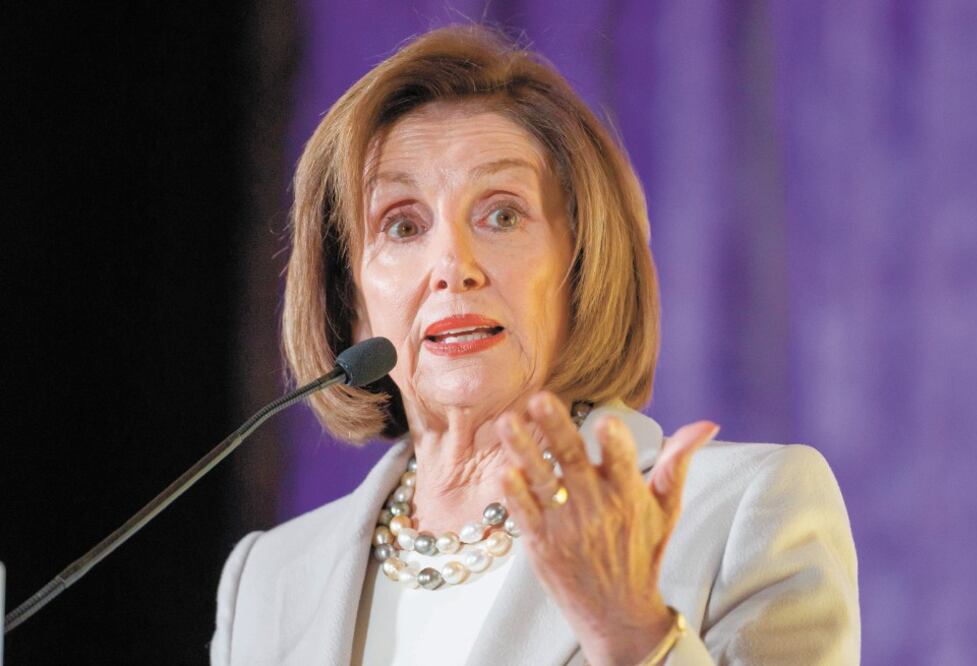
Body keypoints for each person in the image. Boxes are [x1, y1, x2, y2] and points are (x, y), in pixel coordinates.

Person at [211, 25, 859, 665]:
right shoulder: (270, 579)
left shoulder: (743, 512)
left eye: (501, 214)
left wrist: (633, 633)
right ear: (350, 305)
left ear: (581, 266)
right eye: (402, 225)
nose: (451, 265)